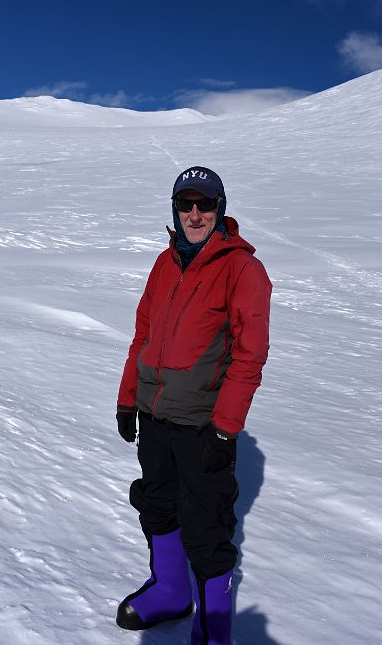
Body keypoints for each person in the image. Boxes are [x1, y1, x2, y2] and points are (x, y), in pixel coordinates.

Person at [116, 166, 272, 645]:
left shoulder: (242, 268)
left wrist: (225, 429)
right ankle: (170, 591)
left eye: (204, 204)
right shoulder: (165, 263)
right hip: (154, 413)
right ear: (175, 209)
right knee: (157, 504)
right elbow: (142, 334)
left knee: (206, 525)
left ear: (219, 208)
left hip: (202, 423)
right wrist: (127, 398)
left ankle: (214, 627)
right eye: (186, 204)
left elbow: (250, 355)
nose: (195, 214)